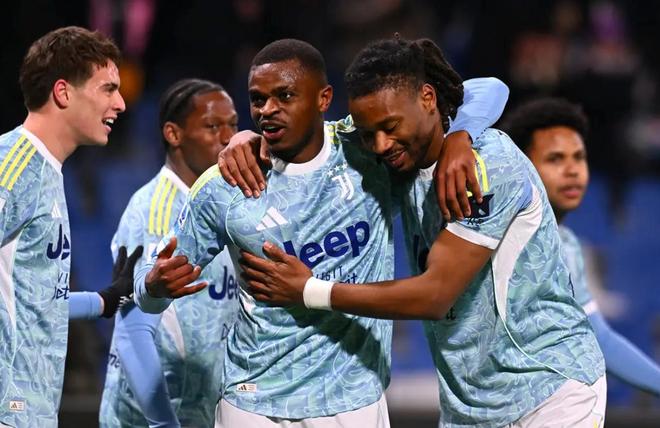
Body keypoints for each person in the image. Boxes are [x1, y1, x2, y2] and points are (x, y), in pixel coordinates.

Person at [134, 38, 508, 427]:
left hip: (353, 398)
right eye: (258, 99)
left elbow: (489, 88)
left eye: (284, 96)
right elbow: (148, 288)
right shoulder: (225, 184)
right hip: (254, 400)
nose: (267, 110)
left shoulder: (369, 150)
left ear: (323, 98)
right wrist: (155, 287)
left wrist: (461, 135)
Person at [237, 37, 607, 427]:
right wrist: (248, 140)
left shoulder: (486, 167)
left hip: (550, 386)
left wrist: (309, 291)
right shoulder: (398, 156)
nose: (380, 144)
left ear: (428, 98)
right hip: (472, 405)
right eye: (368, 133)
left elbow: (435, 295)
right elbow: (318, 141)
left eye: (390, 126)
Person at [0, 26, 125, 428]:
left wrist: (102, 301)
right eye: (108, 89)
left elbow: (35, 300)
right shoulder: (12, 166)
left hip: (32, 411)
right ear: (63, 92)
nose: (120, 103)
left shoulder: (46, 170)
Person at [99, 79, 240, 428]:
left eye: (233, 124)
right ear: (174, 134)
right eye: (212, 126)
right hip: (149, 418)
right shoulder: (154, 212)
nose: (228, 137)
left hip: (205, 412)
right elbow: (132, 328)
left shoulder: (225, 204)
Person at [501, 97, 660, 396]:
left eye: (579, 157)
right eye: (555, 159)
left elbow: (600, 338)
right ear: (521, 168)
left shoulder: (568, 245)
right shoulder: (496, 237)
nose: (573, 170)